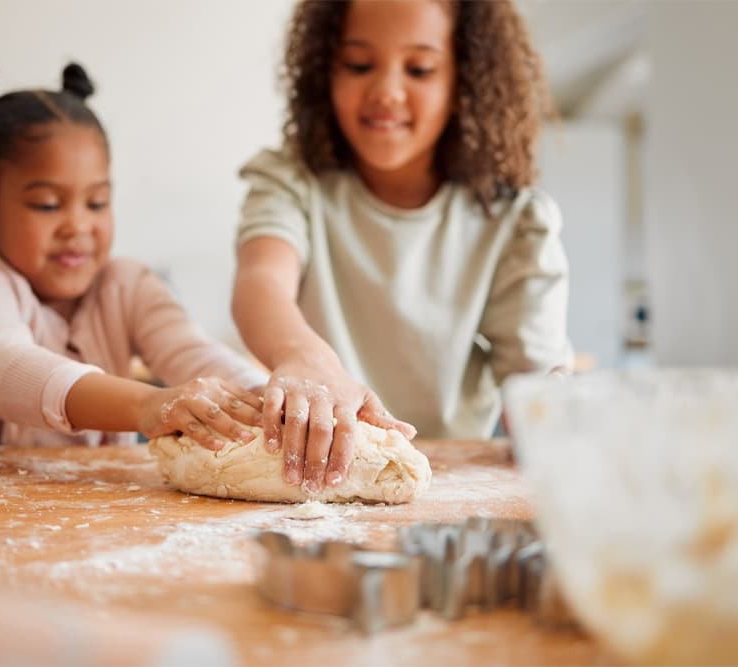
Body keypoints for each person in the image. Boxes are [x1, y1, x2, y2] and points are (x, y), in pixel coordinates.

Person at [231, 0, 573, 491]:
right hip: (312, 484)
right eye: (359, 64)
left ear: (465, 83)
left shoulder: (511, 220)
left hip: (450, 491)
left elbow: (533, 382)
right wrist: (304, 356)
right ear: (325, 70)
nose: (387, 92)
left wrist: (550, 409)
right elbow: (260, 279)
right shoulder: (294, 180)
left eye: (420, 69)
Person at [0, 63, 265, 448]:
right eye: (47, 205)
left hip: (101, 502)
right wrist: (146, 404)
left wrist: (268, 397)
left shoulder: (128, 284)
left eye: (96, 202)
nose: (78, 226)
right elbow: (1, 364)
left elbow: (194, 353)